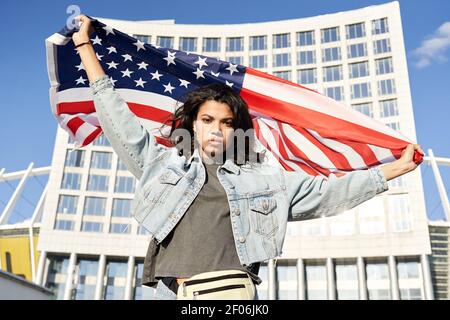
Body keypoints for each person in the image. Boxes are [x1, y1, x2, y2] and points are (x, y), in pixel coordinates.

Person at [72, 15, 424, 300]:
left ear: (237, 130)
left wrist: (391, 170)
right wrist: (85, 47)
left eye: (226, 123)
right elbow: (119, 120)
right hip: (171, 291)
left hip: (233, 295)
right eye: (207, 120)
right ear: (192, 124)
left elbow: (325, 192)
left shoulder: (264, 180)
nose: (216, 129)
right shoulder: (162, 166)